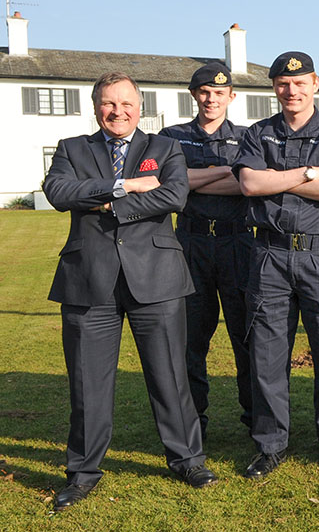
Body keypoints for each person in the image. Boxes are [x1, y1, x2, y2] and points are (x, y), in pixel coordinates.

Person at [44, 72, 216, 511]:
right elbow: (59, 192)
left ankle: (187, 459)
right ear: (95, 105)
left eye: (126, 103)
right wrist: (127, 185)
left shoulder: (165, 147)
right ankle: (82, 472)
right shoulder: (71, 149)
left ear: (140, 107)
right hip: (88, 281)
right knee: (87, 383)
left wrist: (106, 203)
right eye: (108, 103)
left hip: (156, 278)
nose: (117, 111)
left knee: (171, 377)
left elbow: (175, 195)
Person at [233, 51, 319, 479]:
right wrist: (307, 174)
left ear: (315, 84)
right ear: (274, 88)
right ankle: (270, 445)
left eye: (300, 82)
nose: (292, 90)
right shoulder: (258, 133)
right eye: (284, 84)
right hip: (269, 253)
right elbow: (250, 183)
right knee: (267, 352)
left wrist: (277, 180)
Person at [159, 63, 253, 441]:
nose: (211, 98)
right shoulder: (171, 137)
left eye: (219, 92)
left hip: (238, 243)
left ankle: (256, 418)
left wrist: (193, 179)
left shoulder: (249, 137)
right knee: (190, 339)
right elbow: (168, 185)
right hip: (190, 244)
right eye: (204, 92)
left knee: (246, 336)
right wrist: (225, 172)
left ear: (232, 96)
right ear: (194, 94)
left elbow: (248, 186)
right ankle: (193, 420)